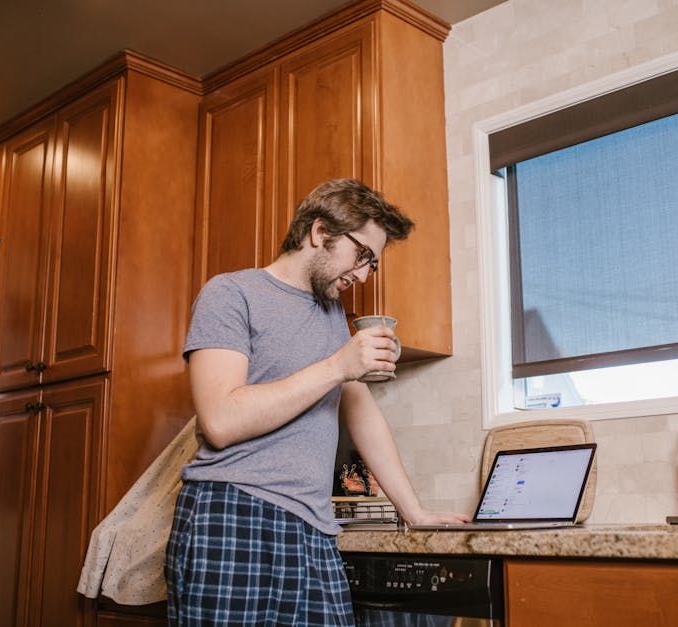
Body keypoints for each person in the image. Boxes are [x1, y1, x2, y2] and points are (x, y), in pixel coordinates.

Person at [165, 178, 468, 625]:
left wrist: (415, 512)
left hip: (314, 530)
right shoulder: (231, 294)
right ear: (320, 232)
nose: (364, 274)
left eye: (373, 265)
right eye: (363, 255)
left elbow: (362, 415)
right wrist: (337, 366)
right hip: (232, 515)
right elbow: (221, 420)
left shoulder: (331, 318)